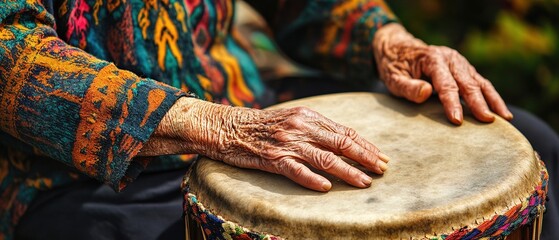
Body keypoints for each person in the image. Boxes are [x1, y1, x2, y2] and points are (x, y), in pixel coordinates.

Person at [0, 0, 556, 239]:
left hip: (247, 99)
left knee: (532, 143)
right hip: (76, 171)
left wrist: (388, 40)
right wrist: (219, 128)